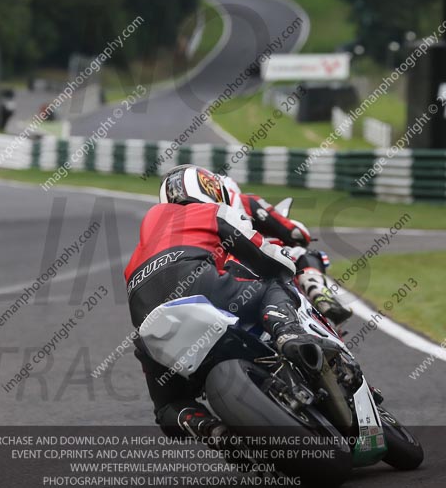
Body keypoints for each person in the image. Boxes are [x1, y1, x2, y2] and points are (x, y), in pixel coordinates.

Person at [125, 165, 336, 439]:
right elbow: (264, 254)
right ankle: (289, 334)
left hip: (144, 312)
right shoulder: (210, 211)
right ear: (211, 189)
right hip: (195, 282)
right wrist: (290, 265)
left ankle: (210, 430)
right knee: (273, 285)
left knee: (167, 405)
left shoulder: (145, 240)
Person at [221, 176, 352, 325]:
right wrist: (301, 235)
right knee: (299, 252)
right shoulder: (244, 200)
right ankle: (317, 290)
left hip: (216, 280)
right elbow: (293, 231)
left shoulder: (200, 212)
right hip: (250, 265)